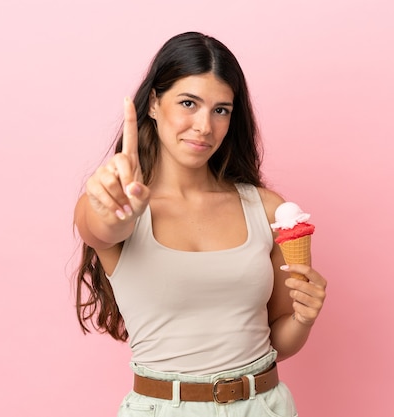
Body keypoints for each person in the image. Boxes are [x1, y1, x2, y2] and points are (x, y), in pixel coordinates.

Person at [74, 31, 327, 416]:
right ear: (155, 103)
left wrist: (304, 318)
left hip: (262, 405)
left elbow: (278, 338)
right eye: (188, 103)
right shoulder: (120, 207)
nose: (204, 126)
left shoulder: (267, 209)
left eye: (220, 109)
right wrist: (111, 206)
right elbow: (101, 227)